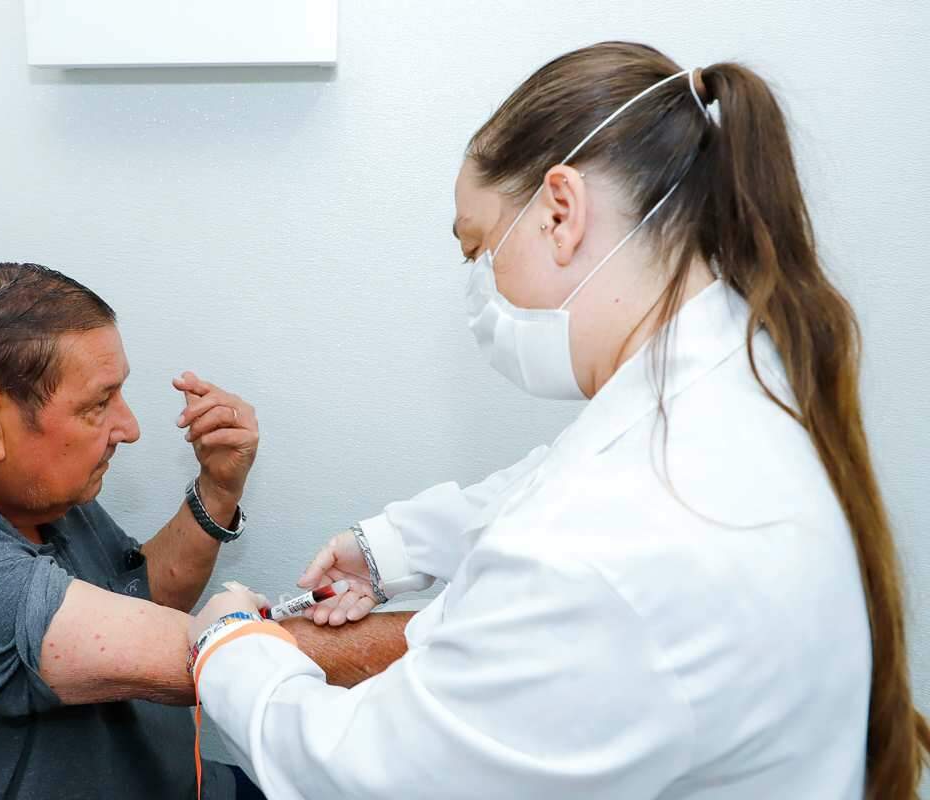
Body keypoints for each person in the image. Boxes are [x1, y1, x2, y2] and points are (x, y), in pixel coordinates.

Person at [186, 42, 929, 799]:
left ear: (562, 212)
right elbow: (553, 479)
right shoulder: (730, 380)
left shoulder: (612, 543)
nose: (482, 286)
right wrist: (391, 550)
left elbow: (367, 774)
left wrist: (230, 644)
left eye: (479, 249)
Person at [0, 263, 410, 799]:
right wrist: (460, 638)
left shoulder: (20, 481)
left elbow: (141, 602)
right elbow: (216, 653)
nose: (129, 428)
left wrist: (217, 491)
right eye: (97, 405)